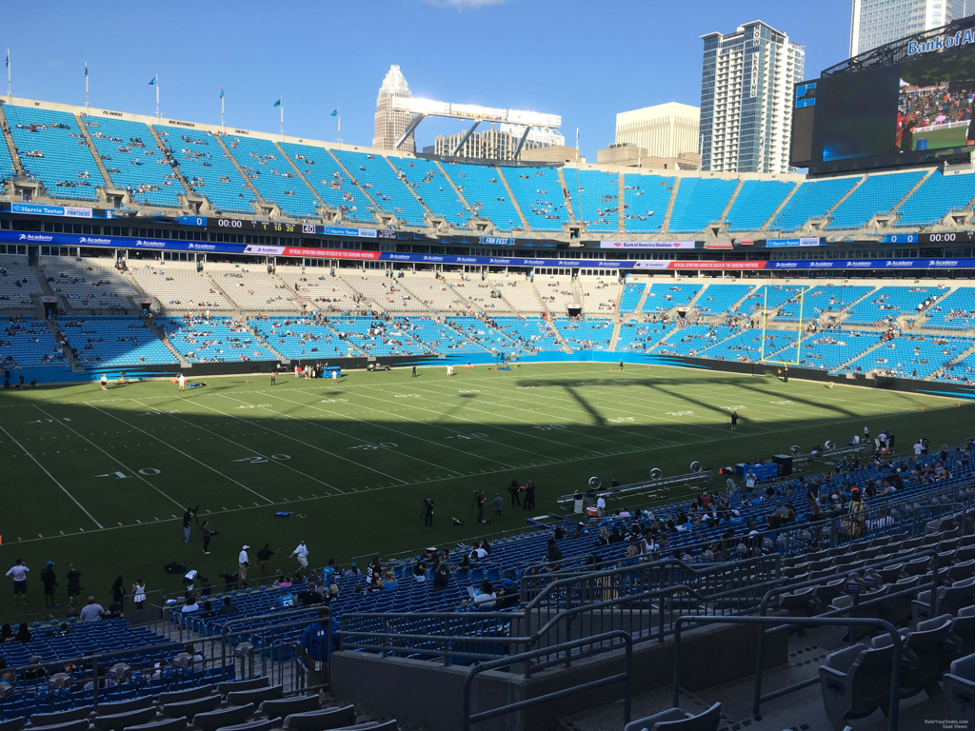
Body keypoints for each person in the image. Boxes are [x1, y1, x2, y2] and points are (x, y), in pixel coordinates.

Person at [299, 607, 340, 694]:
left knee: (330, 689)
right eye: (323, 614)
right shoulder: (311, 628)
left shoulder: (335, 624)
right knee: (313, 691)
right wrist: (308, 661)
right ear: (319, 615)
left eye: (327, 614)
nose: (325, 616)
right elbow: (301, 647)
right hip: (317, 663)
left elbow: (338, 642)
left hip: (331, 661)